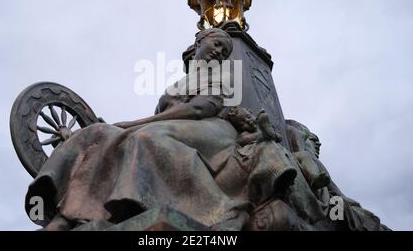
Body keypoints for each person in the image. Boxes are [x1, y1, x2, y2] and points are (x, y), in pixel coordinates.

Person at [25, 28, 252, 231]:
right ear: (199, 41)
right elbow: (159, 117)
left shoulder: (222, 77)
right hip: (174, 125)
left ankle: (118, 211)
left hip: (209, 129)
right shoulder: (179, 83)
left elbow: (199, 109)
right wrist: (123, 127)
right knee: (99, 132)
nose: (219, 53)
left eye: (224, 52)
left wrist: (132, 124)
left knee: (143, 137)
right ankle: (65, 214)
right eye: (216, 44)